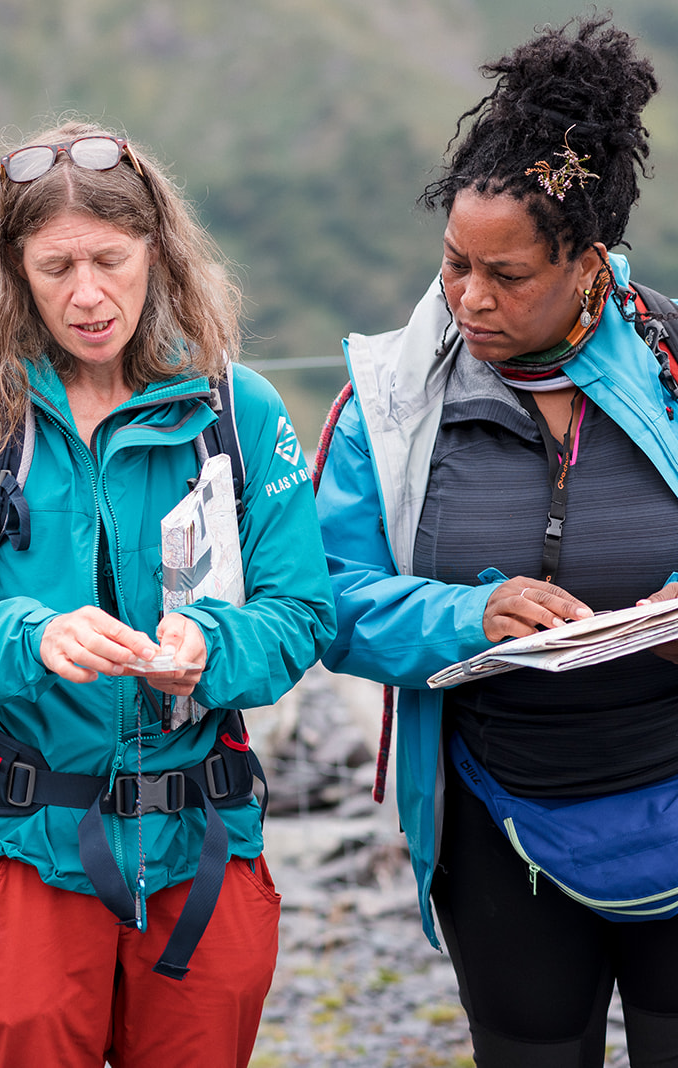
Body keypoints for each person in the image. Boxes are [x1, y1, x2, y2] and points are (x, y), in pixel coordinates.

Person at [0, 120, 335, 1068]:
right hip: (23, 847)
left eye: (110, 260)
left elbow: (303, 615)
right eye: (55, 268)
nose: (87, 295)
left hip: (203, 844)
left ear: (157, 253)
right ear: (13, 271)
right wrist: (30, 638)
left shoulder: (238, 412)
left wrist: (213, 649)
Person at [314, 18, 678, 1065]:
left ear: (589, 263)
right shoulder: (387, 403)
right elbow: (326, 599)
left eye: (506, 275)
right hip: (496, 826)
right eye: (453, 263)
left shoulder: (671, 364)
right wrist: (462, 615)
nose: (467, 299)